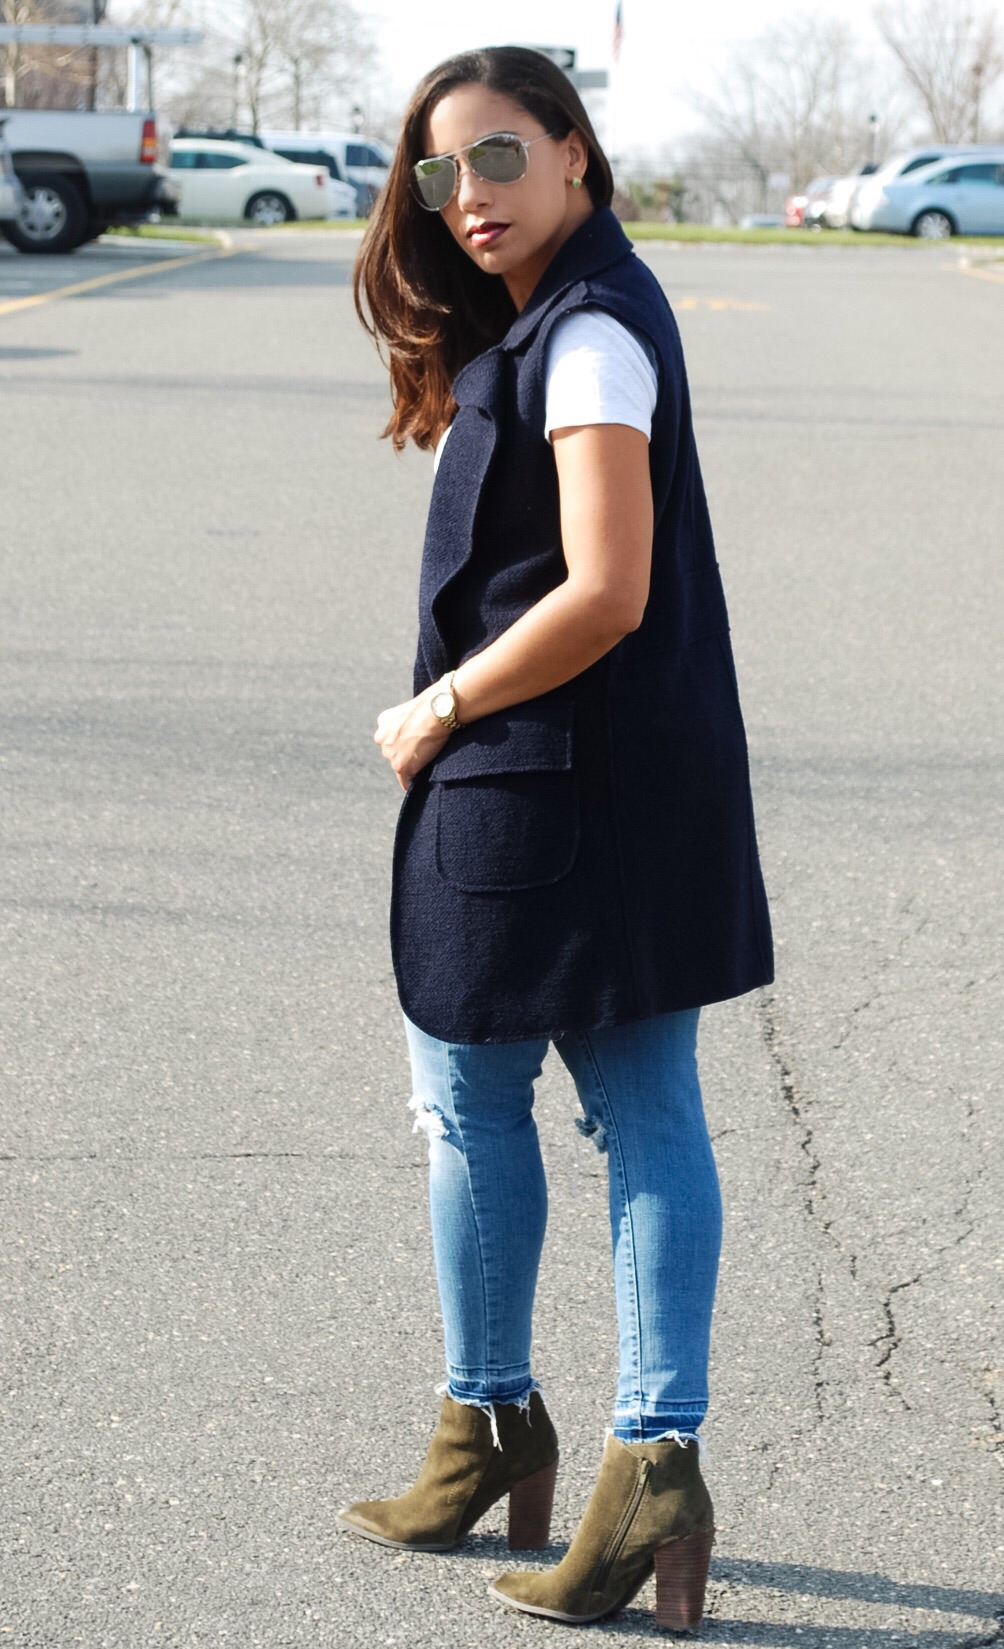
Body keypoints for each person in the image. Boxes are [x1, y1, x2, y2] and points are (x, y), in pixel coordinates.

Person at [340, 45, 773, 1633]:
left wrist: (438, 704)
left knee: (562, 1104)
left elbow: (608, 588)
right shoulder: (555, 324)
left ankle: (625, 1446)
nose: (470, 198)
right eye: (442, 173)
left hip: (551, 786)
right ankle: (496, 1423)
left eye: (501, 157)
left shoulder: (588, 336)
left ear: (580, 157)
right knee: (516, 1096)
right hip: (587, 784)